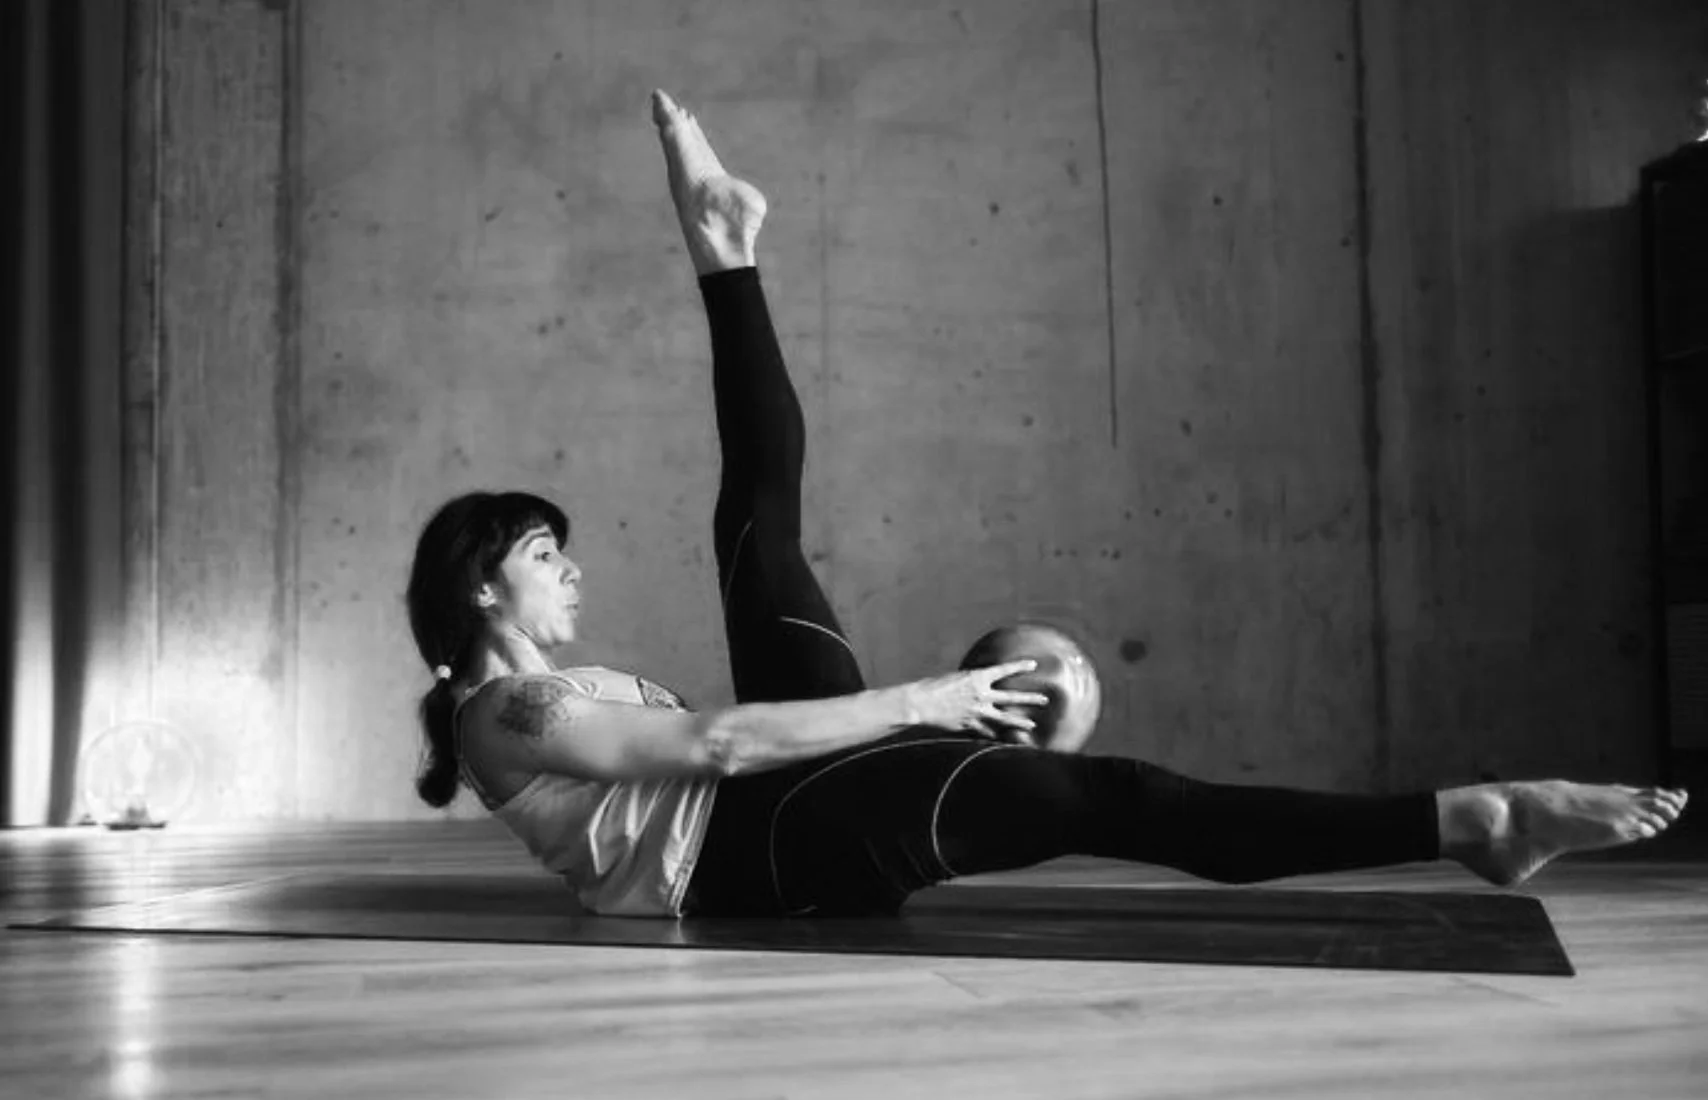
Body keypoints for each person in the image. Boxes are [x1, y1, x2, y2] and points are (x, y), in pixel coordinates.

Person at [403, 91, 1688, 918]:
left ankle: (723, 245)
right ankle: (1475, 817)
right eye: (541, 554)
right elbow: (722, 749)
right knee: (1113, 797)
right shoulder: (509, 705)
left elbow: (729, 742)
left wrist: (926, 723)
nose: (569, 573)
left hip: (763, 808)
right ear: (478, 586)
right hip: (747, 855)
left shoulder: (539, 695)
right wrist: (928, 701)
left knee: (760, 534)